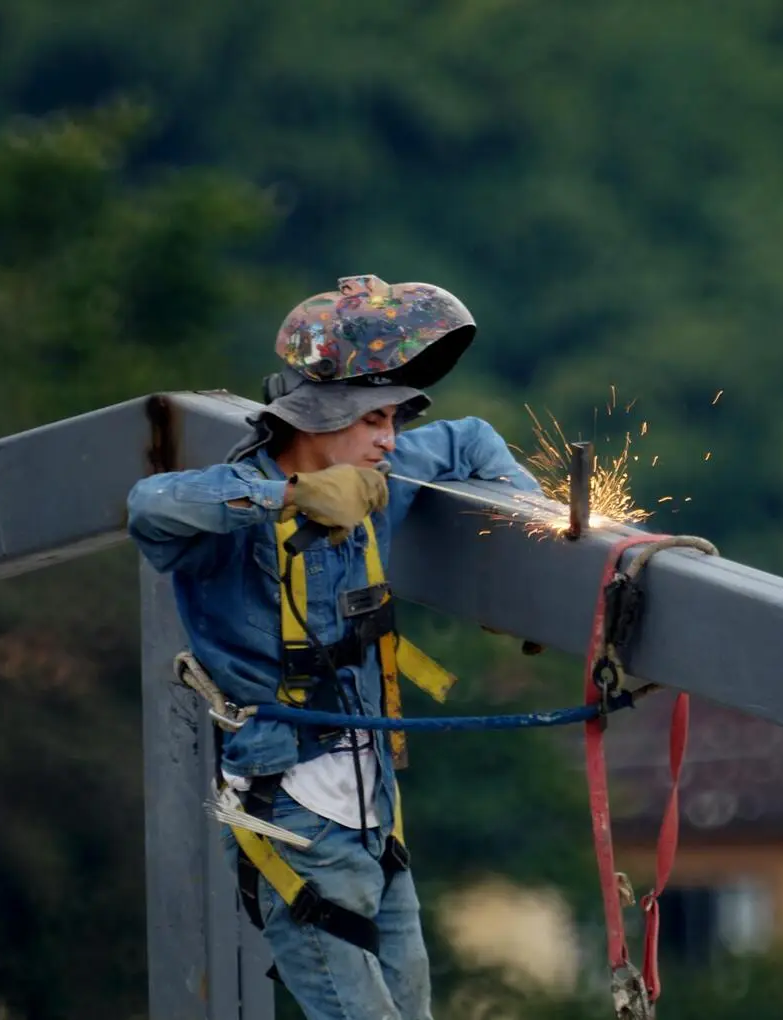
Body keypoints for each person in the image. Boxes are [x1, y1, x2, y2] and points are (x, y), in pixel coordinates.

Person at [126, 275, 540, 1020]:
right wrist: (289, 499)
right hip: (295, 820)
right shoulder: (235, 509)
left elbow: (473, 440)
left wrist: (534, 536)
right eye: (374, 419)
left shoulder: (385, 474)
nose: (391, 439)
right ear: (316, 420)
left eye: (394, 419)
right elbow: (150, 506)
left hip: (375, 810)